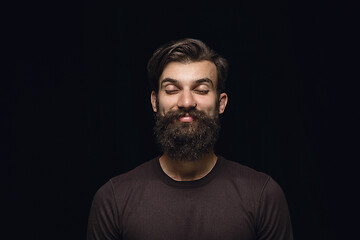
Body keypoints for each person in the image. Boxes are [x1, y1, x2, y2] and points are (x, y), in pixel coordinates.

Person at [87, 38, 294, 240]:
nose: (186, 101)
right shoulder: (114, 199)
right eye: (172, 90)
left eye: (201, 90)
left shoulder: (262, 196)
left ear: (221, 103)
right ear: (154, 102)